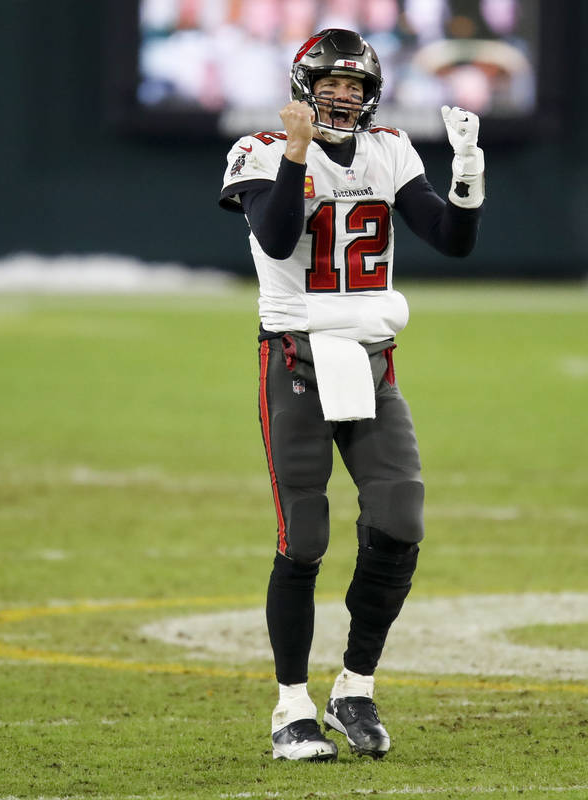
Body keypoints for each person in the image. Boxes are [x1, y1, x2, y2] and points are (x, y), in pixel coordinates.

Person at [217, 28, 485, 762]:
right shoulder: (260, 150)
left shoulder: (390, 149)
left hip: (371, 360)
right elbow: (274, 242)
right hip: (297, 359)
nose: (345, 97)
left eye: (357, 87)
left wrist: (467, 171)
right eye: (333, 84)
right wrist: (298, 156)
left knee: (399, 519)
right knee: (303, 538)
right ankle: (290, 708)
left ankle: (354, 687)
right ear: (305, 86)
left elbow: (451, 238)